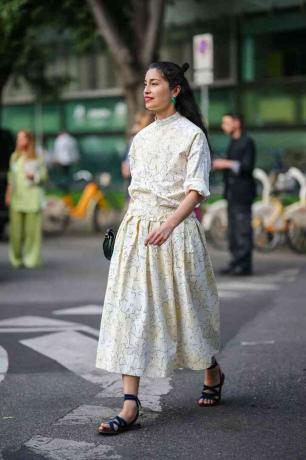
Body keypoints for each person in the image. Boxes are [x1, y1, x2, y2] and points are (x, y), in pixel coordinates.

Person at [96, 61, 223, 435]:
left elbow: (196, 189)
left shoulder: (192, 136)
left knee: (190, 313)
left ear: (176, 89)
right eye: (145, 84)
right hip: (137, 235)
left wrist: (169, 224)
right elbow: (137, 192)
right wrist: (124, 232)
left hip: (177, 233)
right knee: (130, 312)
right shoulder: (141, 139)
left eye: (155, 83)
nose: (147, 90)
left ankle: (212, 371)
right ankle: (130, 404)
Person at [213, 113, 256, 276]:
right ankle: (235, 262)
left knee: (242, 229)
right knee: (233, 230)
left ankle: (243, 265)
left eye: (227, 123)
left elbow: (246, 166)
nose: (224, 126)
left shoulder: (247, 142)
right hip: (232, 194)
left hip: (243, 194)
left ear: (237, 123)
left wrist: (225, 163)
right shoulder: (233, 142)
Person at [5, 130, 47, 268]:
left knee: (32, 233)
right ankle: (15, 258)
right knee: (16, 233)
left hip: (33, 198)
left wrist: (34, 177)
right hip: (17, 198)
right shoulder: (14, 157)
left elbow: (44, 176)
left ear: (29, 140)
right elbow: (11, 176)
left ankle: (31, 259)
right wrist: (8, 193)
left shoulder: (37, 157)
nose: (19, 141)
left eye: (22, 139)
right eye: (18, 139)